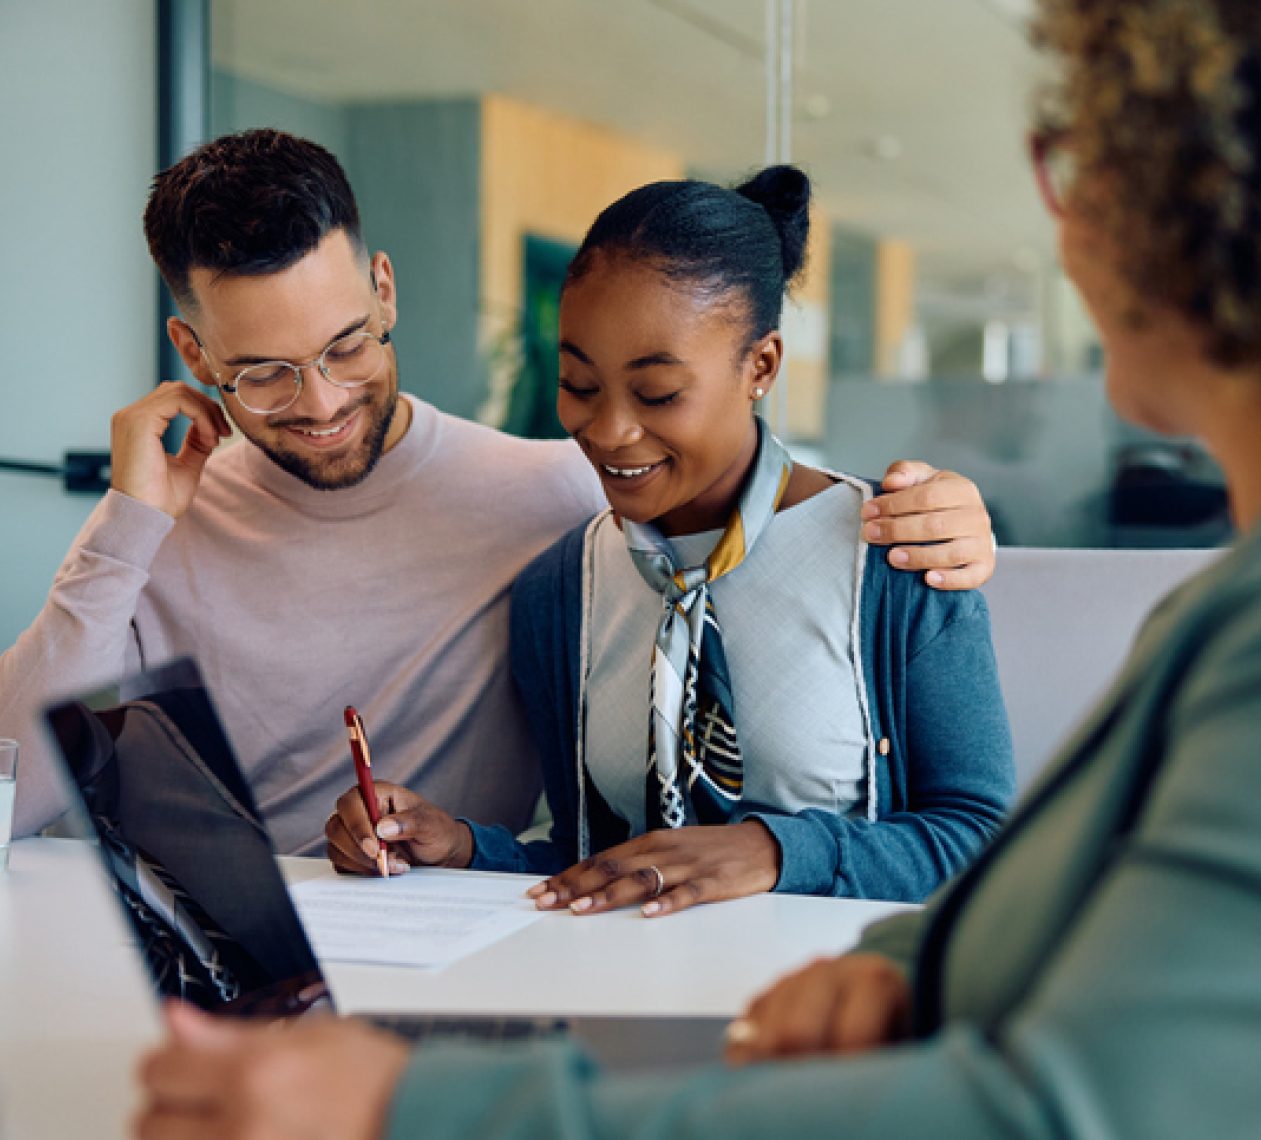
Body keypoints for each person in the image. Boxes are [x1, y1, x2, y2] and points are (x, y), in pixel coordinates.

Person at [137, 1, 1261, 1136]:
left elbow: (1067, 1108)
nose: (1067, 218)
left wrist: (411, 1107)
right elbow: (1106, 913)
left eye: (1081, 162)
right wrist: (906, 973)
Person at [0, 128, 999, 854]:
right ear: (191, 350)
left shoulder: (559, 497)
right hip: (245, 973)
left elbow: (733, 482)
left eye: (347, 344)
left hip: (462, 973)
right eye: (261, 371)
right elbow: (14, 792)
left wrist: (944, 515)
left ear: (385, 290)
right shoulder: (159, 525)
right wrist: (127, 526)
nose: (321, 402)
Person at [323, 168, 1016, 912]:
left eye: (657, 394)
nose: (610, 430)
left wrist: (774, 851)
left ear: (762, 366)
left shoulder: (896, 553)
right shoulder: (562, 590)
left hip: (836, 1003)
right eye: (579, 385)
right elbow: (595, 860)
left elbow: (984, 842)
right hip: (636, 1001)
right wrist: (460, 846)